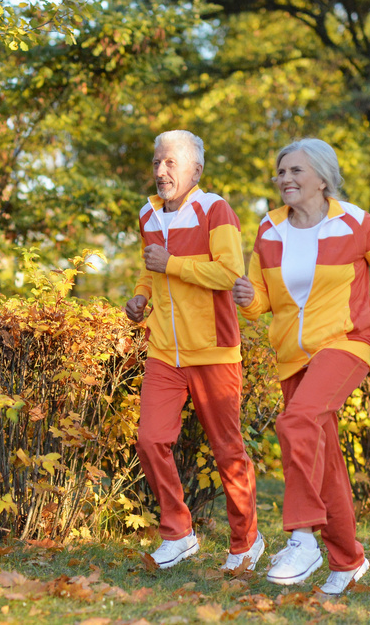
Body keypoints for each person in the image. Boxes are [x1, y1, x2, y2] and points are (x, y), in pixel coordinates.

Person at [232, 138, 370, 595]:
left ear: (323, 179)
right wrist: (248, 299)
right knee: (324, 459)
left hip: (347, 343)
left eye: (295, 172)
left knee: (297, 421)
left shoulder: (355, 223)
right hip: (292, 357)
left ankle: (303, 536)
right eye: (281, 172)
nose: (285, 179)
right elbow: (262, 302)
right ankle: (348, 559)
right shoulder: (269, 231)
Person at [124, 130, 263, 571]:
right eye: (156, 163)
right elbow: (150, 272)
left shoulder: (215, 209)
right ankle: (179, 534)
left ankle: (246, 543)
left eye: (170, 163)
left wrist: (173, 265)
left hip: (214, 351)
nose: (161, 171)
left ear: (195, 170)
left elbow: (228, 274)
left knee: (228, 450)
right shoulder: (148, 213)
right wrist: (139, 297)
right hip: (164, 351)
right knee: (150, 440)